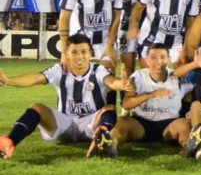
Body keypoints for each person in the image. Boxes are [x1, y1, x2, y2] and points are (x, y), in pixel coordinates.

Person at [0, 34, 129, 160]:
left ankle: (102, 138)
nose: (79, 56)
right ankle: (9, 143)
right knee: (36, 107)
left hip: (92, 123)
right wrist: (8, 81)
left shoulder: (99, 70)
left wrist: (123, 84)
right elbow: (35, 78)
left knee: (110, 108)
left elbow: (111, 81)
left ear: (90, 53)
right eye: (74, 52)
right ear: (67, 54)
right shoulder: (59, 70)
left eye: (84, 52)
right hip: (65, 123)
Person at [109, 44, 193, 148]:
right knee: (123, 122)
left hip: (169, 124)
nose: (158, 62)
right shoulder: (138, 77)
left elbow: (190, 93)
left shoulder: (177, 77)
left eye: (162, 57)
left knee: (185, 124)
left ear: (169, 59)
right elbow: (126, 104)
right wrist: (149, 95)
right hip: (142, 123)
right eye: (153, 58)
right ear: (147, 60)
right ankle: (108, 145)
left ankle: (189, 148)